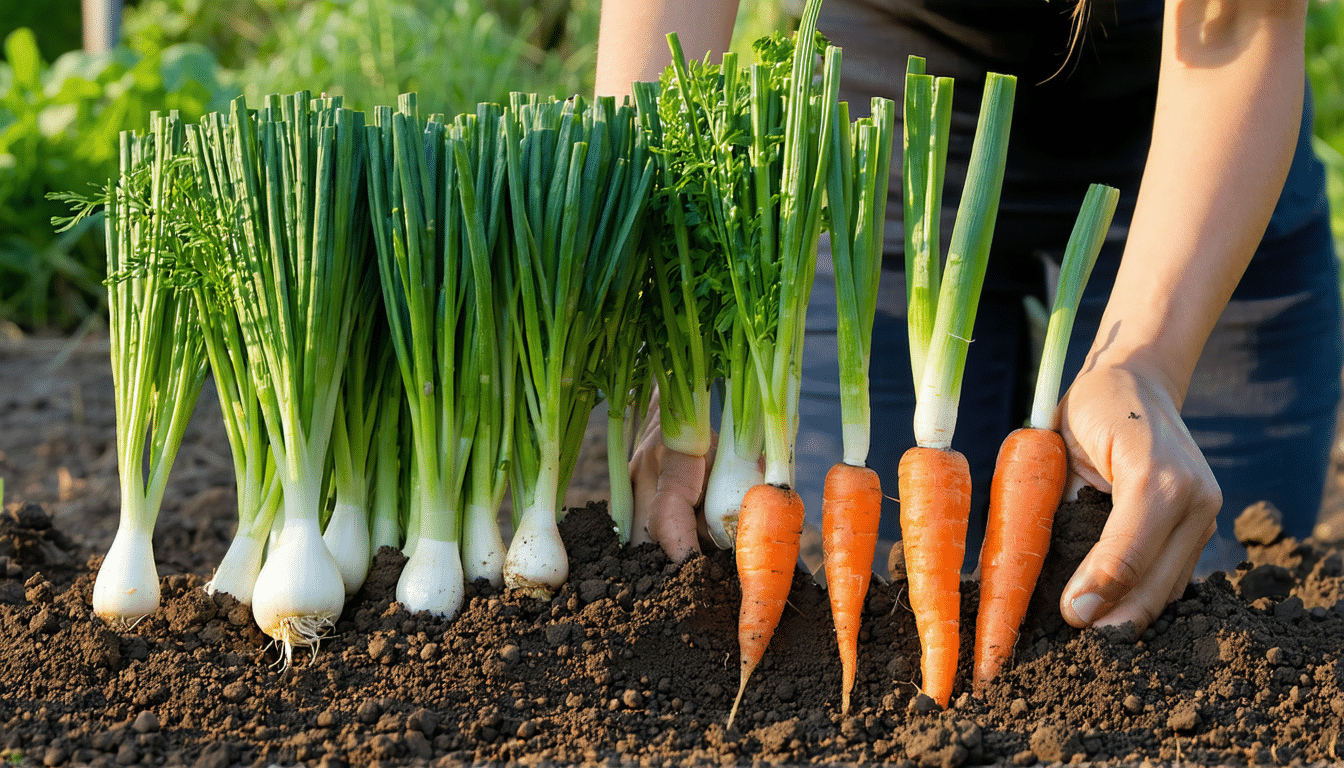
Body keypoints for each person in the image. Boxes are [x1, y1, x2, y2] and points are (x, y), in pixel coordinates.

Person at [595, 0, 1342, 635]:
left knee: (1190, 591)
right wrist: (671, 360)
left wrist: (1144, 357)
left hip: (1195, 135)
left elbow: (1236, 20)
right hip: (897, 124)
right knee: (876, 611)